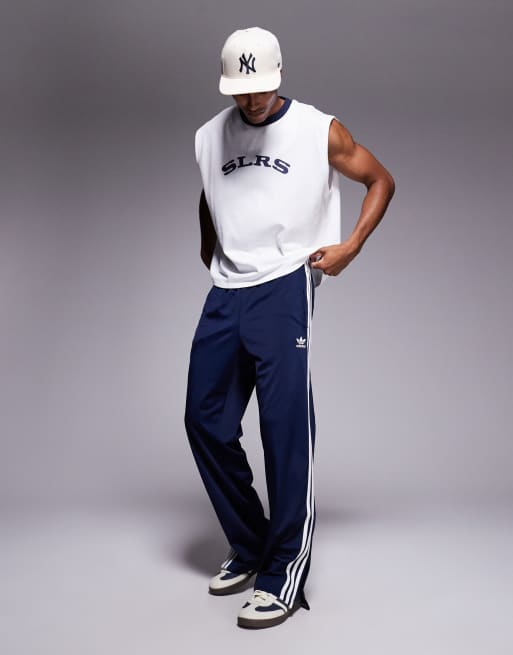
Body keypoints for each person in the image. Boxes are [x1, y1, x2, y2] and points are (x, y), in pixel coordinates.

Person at [184, 26, 395, 629]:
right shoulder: (208, 136)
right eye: (240, 90)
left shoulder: (319, 129)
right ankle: (251, 544)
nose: (251, 100)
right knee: (204, 419)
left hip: (284, 284)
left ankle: (282, 572)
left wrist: (350, 246)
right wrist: (213, 249)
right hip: (228, 288)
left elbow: (380, 179)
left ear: (277, 76)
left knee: (283, 428)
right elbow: (211, 194)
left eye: (260, 88)